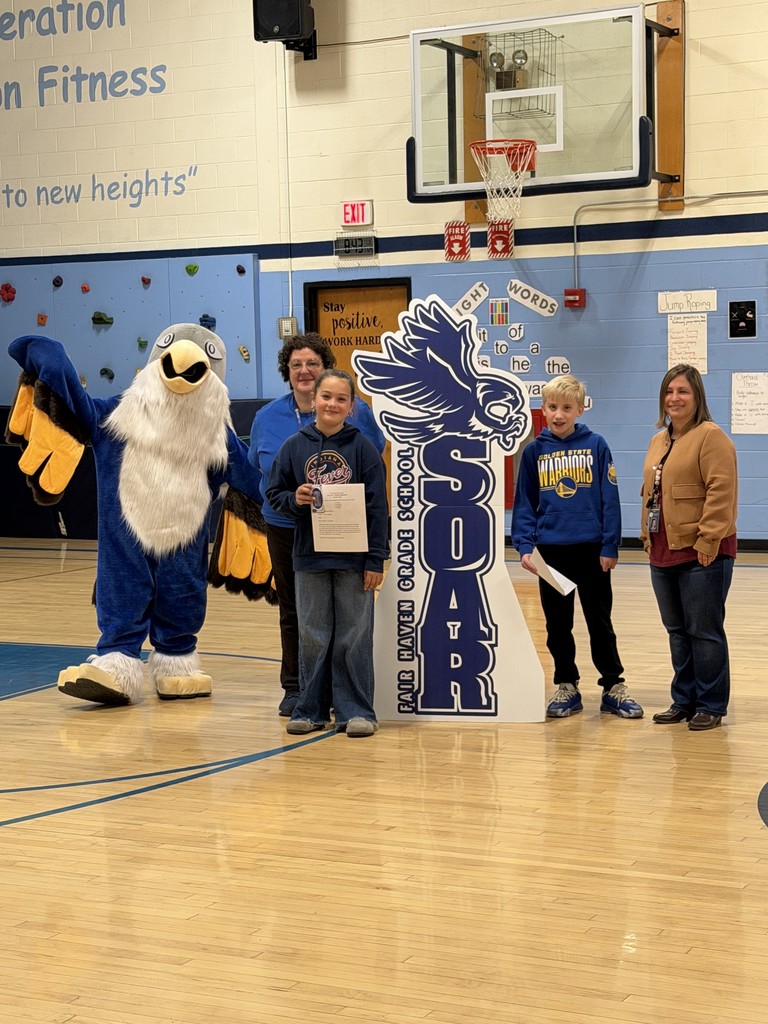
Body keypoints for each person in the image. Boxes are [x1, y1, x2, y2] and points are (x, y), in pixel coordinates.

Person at [248, 334, 385, 716]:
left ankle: (347, 701)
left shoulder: (356, 417)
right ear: (287, 373)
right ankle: (298, 692)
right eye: (296, 365)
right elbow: (257, 467)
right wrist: (292, 498)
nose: (304, 371)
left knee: (347, 618)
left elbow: (373, 466)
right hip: (287, 527)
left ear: (325, 370)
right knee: (296, 612)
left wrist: (375, 553)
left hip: (345, 530)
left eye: (312, 364)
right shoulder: (268, 417)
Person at [512, 374, 643, 719]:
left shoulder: (597, 445)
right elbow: (524, 501)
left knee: (600, 622)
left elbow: (609, 499)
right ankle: (566, 685)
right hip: (550, 554)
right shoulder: (533, 452)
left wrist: (610, 545)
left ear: (580, 410)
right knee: (557, 625)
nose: (558, 414)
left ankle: (613, 686)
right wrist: (524, 544)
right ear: (544, 408)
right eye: (553, 407)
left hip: (591, 551)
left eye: (566, 408)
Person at [641, 364, 737, 732]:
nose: (674, 398)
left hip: (702, 552)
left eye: (682, 391)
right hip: (662, 550)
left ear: (697, 397)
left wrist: (709, 539)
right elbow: (650, 495)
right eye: (669, 391)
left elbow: (721, 493)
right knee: (677, 630)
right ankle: (684, 700)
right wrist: (647, 538)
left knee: (704, 630)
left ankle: (711, 704)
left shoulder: (711, 437)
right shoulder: (658, 440)